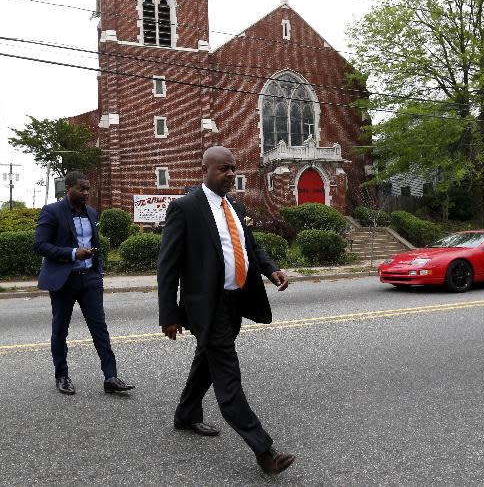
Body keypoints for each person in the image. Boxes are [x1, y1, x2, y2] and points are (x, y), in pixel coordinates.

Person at [157, 146, 295, 475]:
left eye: (233, 169)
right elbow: (167, 266)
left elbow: (249, 245)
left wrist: (270, 269)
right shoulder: (185, 208)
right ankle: (265, 451)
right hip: (208, 305)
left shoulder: (234, 206)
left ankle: (186, 415)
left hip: (235, 301)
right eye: (223, 169)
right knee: (227, 375)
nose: (230, 174)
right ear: (204, 169)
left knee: (207, 360)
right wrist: (169, 314)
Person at [33, 171, 135, 395]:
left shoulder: (90, 211)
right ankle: (62, 376)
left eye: (88, 189)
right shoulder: (52, 211)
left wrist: (98, 269)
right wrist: (71, 253)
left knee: (100, 328)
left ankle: (111, 377)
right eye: (82, 189)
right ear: (68, 188)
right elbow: (40, 245)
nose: (87, 193)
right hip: (64, 280)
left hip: (89, 278)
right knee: (60, 329)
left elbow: (93, 241)